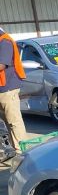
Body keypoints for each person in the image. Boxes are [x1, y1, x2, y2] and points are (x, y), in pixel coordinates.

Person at [0, 27, 28, 155]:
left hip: (8, 88)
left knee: (14, 120)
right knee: (6, 122)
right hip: (2, 88)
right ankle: (13, 149)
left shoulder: (5, 42)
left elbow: (2, 65)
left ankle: (23, 151)